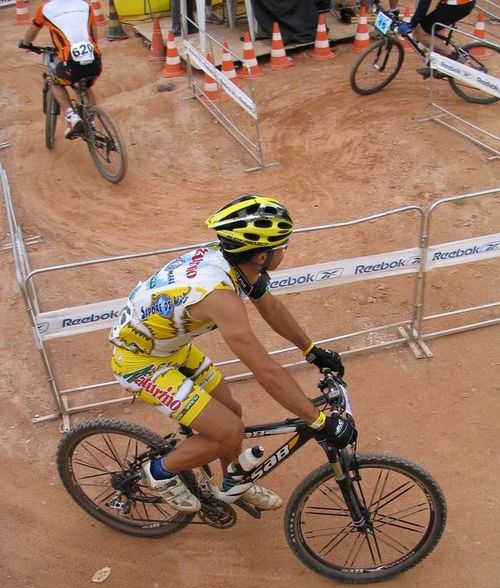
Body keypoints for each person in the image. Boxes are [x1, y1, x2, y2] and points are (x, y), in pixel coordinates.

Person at [110, 195, 356, 513]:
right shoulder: (219, 295)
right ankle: (160, 473)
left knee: (231, 410)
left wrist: (311, 351)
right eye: (285, 245)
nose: (285, 251)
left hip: (170, 348)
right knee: (228, 431)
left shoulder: (234, 263)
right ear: (263, 256)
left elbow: (272, 308)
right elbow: (264, 369)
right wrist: (319, 420)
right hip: (139, 362)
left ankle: (229, 482)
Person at [19, 0, 102, 138]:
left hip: (70, 63)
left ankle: (71, 116)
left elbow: (31, 33)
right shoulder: (85, 5)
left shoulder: (45, 9)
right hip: (95, 61)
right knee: (86, 86)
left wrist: (26, 43)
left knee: (54, 81)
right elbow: (94, 35)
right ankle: (92, 125)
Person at [397, 0, 476, 78]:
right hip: (457, 4)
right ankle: (437, 63)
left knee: (420, 33)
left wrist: (413, 24)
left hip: (457, 5)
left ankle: (456, 59)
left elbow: (425, 2)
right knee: (426, 28)